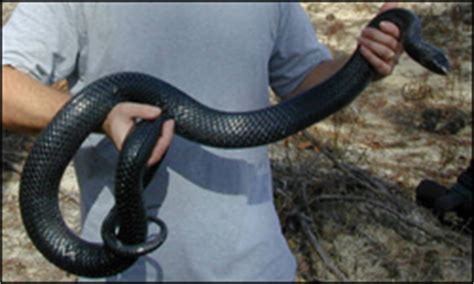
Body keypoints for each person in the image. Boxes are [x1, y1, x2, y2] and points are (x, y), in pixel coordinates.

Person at [2, 2, 403, 281]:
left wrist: (362, 64)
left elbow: (305, 80)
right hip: (126, 270)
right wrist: (102, 115)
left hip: (254, 269)